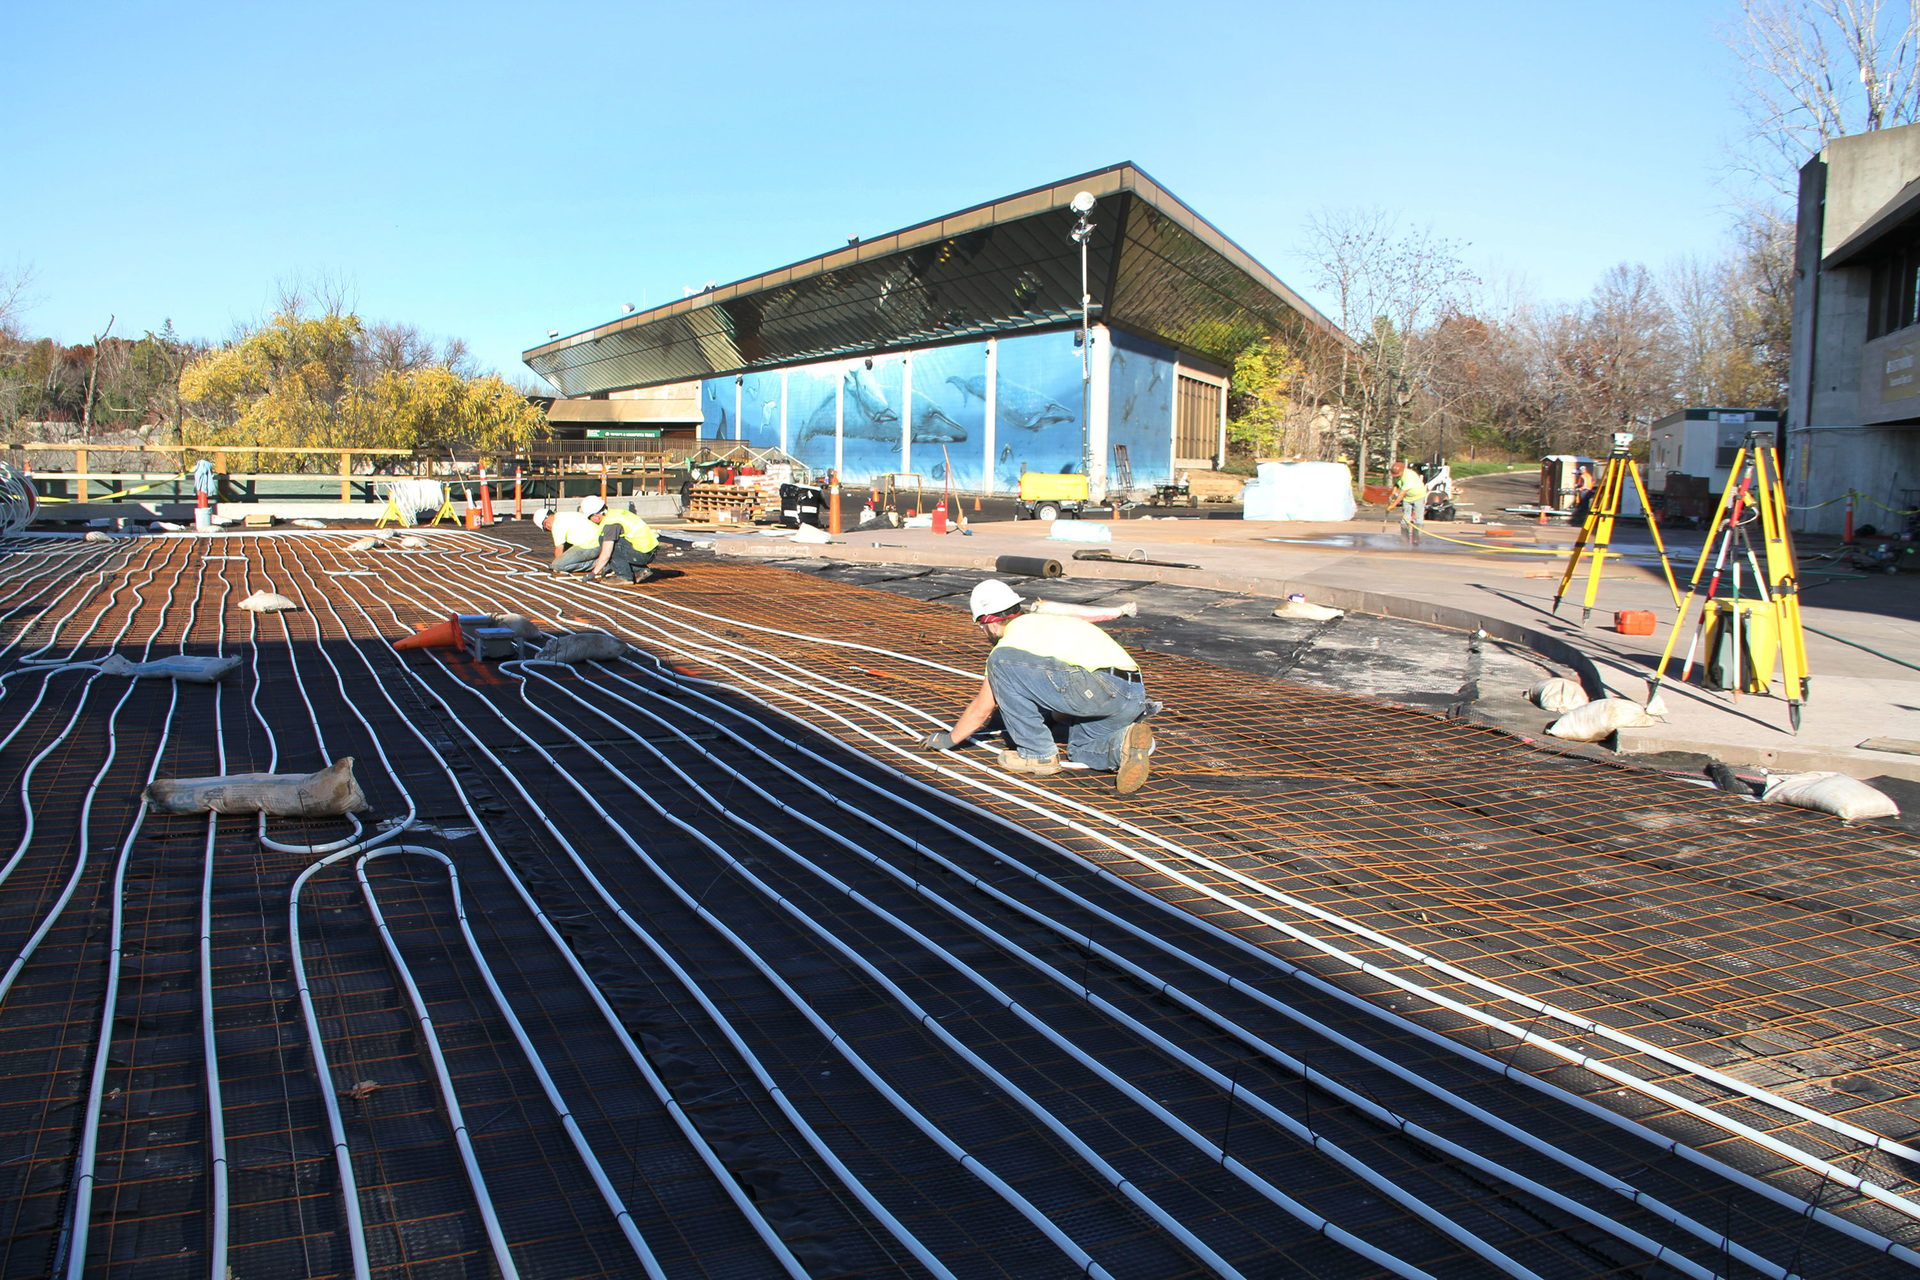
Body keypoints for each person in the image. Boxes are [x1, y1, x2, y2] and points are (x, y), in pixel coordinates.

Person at [915, 579, 1155, 794]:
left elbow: (982, 709)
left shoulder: (1008, 646)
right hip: (1132, 694)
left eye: (982, 627)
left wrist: (948, 740)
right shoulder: (1051, 622)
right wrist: (1054, 715)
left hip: (1097, 687)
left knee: (1000, 665)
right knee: (1081, 749)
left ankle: (1038, 755)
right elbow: (1065, 677)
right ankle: (1124, 744)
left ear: (992, 623)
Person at [589, 506, 660, 582]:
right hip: (649, 550)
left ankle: (623, 577)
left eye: (589, 518)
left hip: (643, 554)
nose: (590, 521)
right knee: (616, 545)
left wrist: (593, 573)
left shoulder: (611, 524)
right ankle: (640, 571)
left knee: (609, 543)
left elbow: (606, 553)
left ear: (596, 516)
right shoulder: (615, 513)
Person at [540, 496, 606, 575]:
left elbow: (559, 548)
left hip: (591, 545)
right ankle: (603, 561)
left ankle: (600, 564)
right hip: (602, 541)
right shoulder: (565, 515)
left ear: (547, 524)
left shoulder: (557, 524)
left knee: (557, 565)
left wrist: (558, 565)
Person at [1387, 461, 1427, 544]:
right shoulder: (1401, 474)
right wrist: (1393, 493)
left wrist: (1393, 505)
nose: (1397, 476)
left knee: (1418, 519)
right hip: (1407, 498)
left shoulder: (1409, 476)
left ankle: (1416, 539)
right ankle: (1404, 539)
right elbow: (1397, 484)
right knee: (1405, 518)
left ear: (1402, 470)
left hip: (1418, 496)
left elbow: (1402, 494)